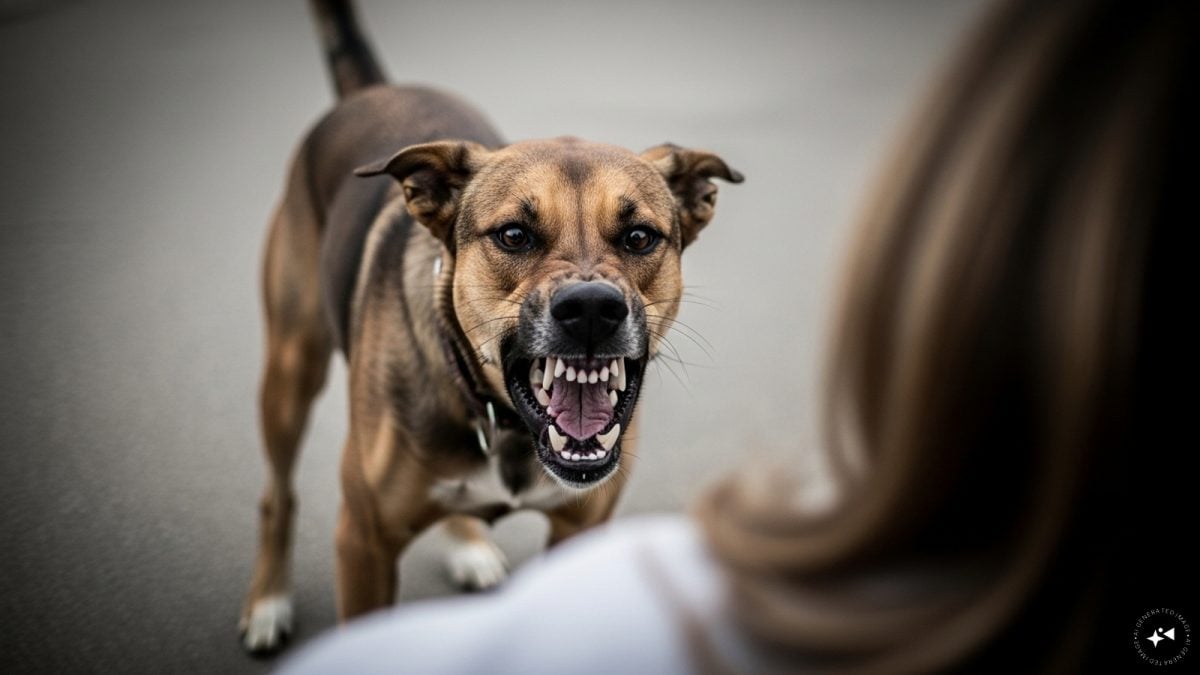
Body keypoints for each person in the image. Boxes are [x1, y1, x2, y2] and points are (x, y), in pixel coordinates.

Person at [281, 0, 1194, 671]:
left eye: (637, 240)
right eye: (518, 240)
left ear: (690, 219)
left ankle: (469, 522)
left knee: (567, 468)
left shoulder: (622, 570)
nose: (593, 290)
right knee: (294, 388)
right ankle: (270, 527)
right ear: (435, 211)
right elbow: (368, 560)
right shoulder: (430, 250)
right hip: (416, 376)